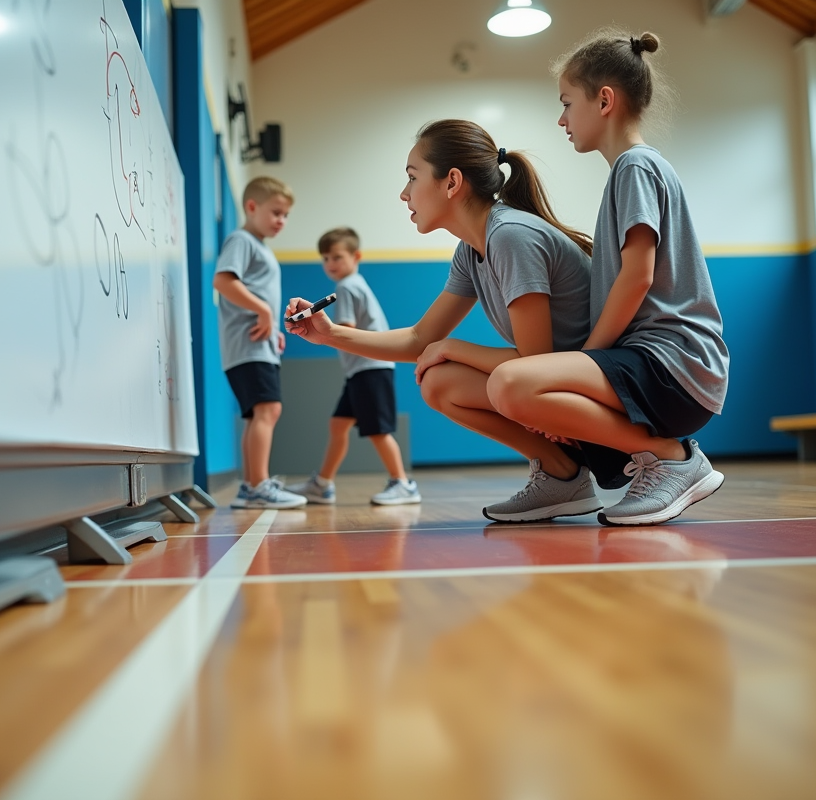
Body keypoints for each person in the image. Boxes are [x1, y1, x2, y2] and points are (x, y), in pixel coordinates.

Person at [285, 119, 628, 521]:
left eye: (412, 178)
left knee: (475, 372)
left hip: (609, 392)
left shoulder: (510, 235)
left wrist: (451, 347)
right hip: (558, 388)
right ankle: (562, 474)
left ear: (451, 182)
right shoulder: (471, 249)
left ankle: (652, 454)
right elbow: (417, 339)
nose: (404, 193)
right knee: (438, 382)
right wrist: (329, 334)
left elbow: (536, 366)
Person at [486, 30, 729, 526]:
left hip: (672, 362)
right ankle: (592, 472)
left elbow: (637, 276)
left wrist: (587, 358)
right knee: (519, 387)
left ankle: (673, 460)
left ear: (604, 101)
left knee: (513, 383)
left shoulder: (635, 166)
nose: (561, 119)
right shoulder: (632, 169)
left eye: (566, 103)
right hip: (654, 362)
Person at [286, 228, 422, 505]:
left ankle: (403, 484)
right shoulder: (355, 283)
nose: (330, 263)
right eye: (325, 258)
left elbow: (344, 330)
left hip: (369, 368)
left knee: (378, 429)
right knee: (338, 425)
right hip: (361, 370)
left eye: (337, 256)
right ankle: (322, 484)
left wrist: (314, 326)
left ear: (356, 256)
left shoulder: (347, 286)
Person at [214, 176, 307, 509]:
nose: (281, 221)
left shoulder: (258, 246)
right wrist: (263, 309)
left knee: (258, 414)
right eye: (276, 212)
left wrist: (271, 324)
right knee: (268, 410)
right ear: (252, 207)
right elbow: (223, 280)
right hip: (247, 345)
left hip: (258, 344)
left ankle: (252, 485)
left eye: (286, 215)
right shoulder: (242, 240)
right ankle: (258, 486)